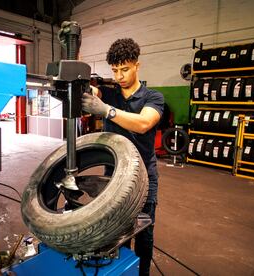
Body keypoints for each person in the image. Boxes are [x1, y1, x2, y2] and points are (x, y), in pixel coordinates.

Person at [82, 38, 164, 276]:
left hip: (143, 178)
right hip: (113, 177)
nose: (119, 76)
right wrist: (80, 86)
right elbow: (91, 91)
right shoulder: (108, 94)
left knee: (144, 235)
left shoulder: (153, 97)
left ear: (137, 65)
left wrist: (107, 110)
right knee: (117, 233)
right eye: (115, 70)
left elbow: (144, 123)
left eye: (125, 69)